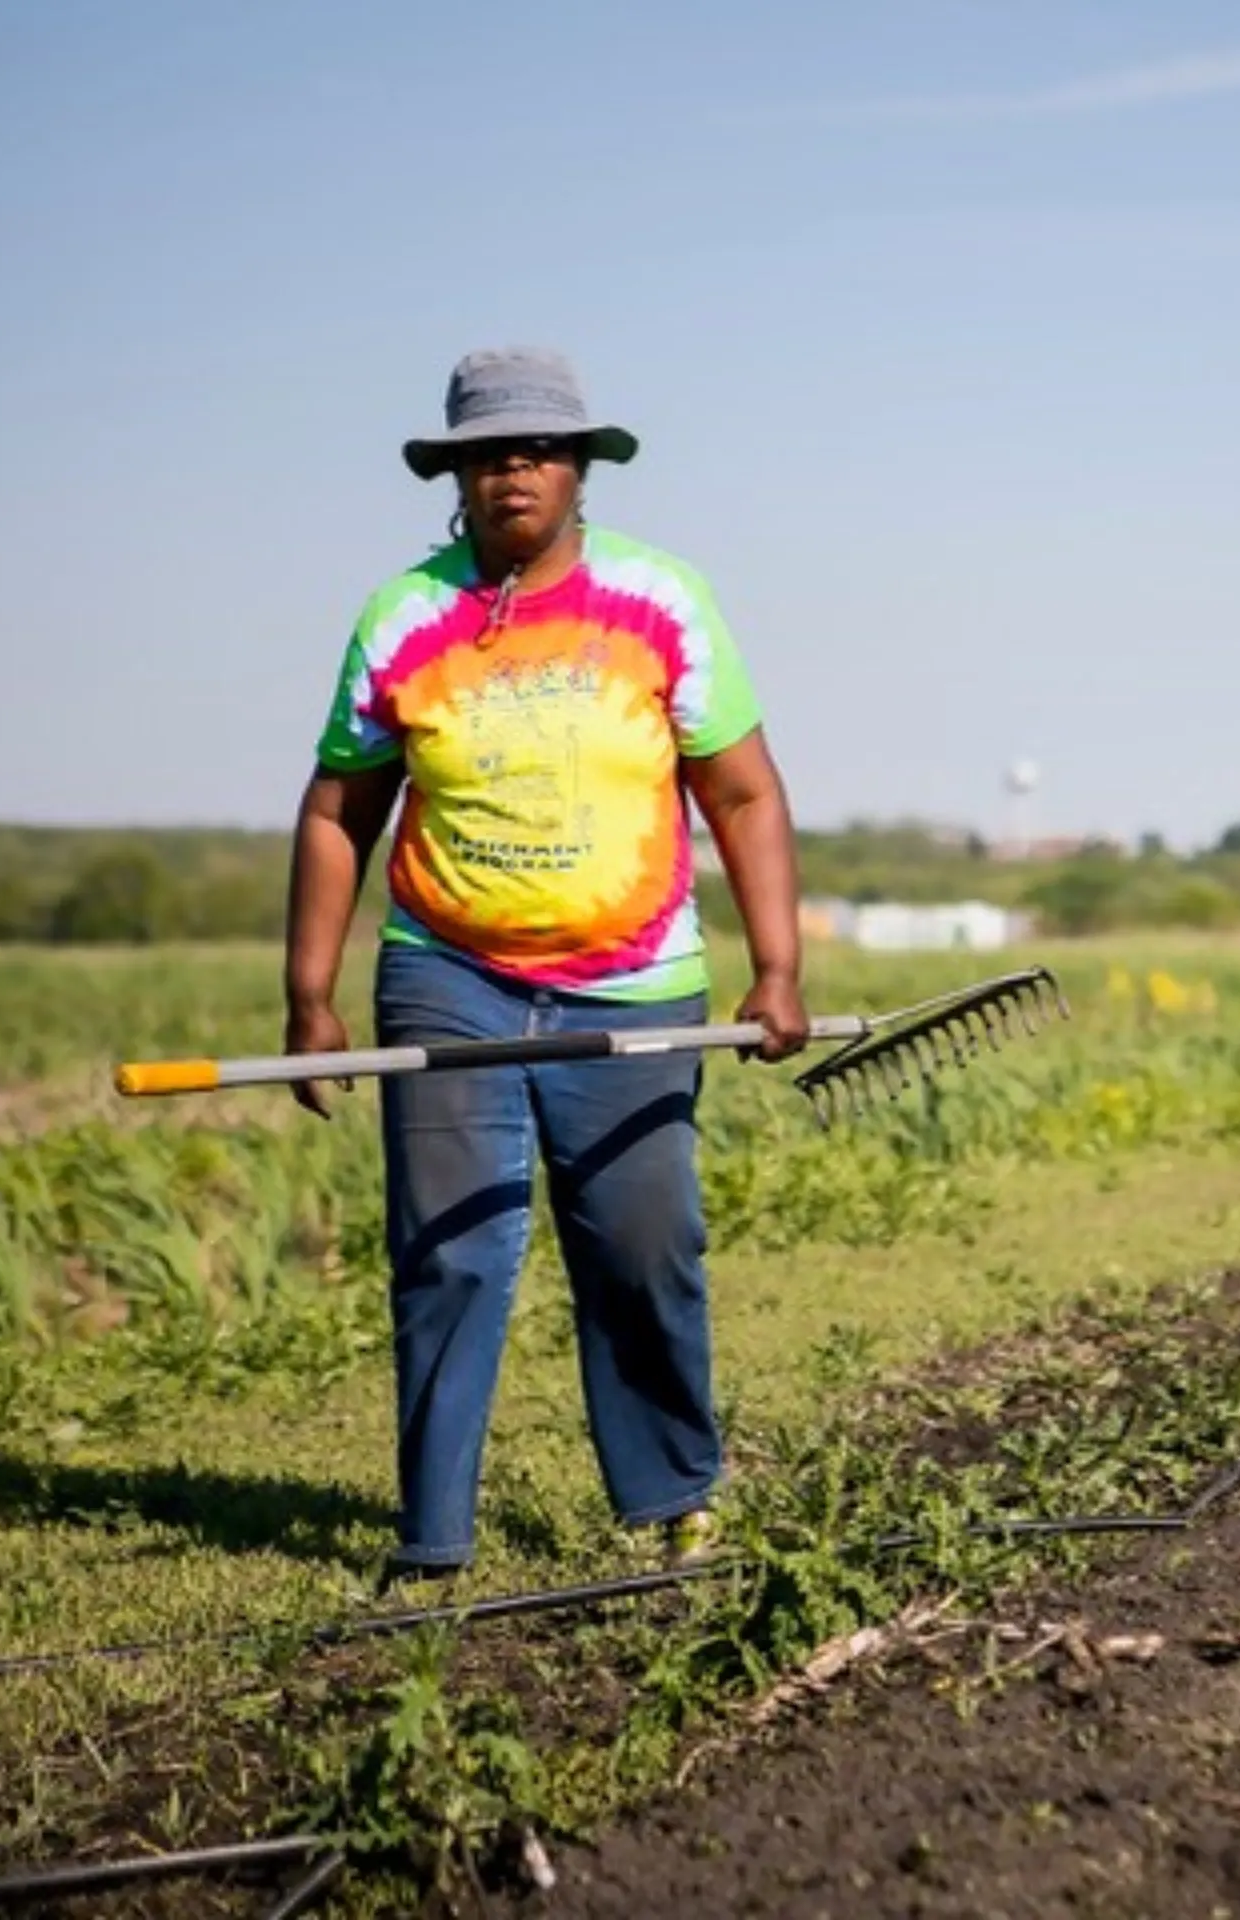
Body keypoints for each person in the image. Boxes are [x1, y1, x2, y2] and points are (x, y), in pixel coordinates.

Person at [282, 346, 810, 1584]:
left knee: (640, 1241)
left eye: (535, 450)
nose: (511, 471)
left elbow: (743, 796)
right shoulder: (404, 617)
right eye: (485, 454)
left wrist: (777, 966)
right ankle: (432, 1540)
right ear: (453, 475)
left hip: (633, 981)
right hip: (447, 970)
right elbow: (336, 812)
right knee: (453, 1249)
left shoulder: (662, 602)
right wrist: (308, 996)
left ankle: (674, 1496)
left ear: (579, 468)